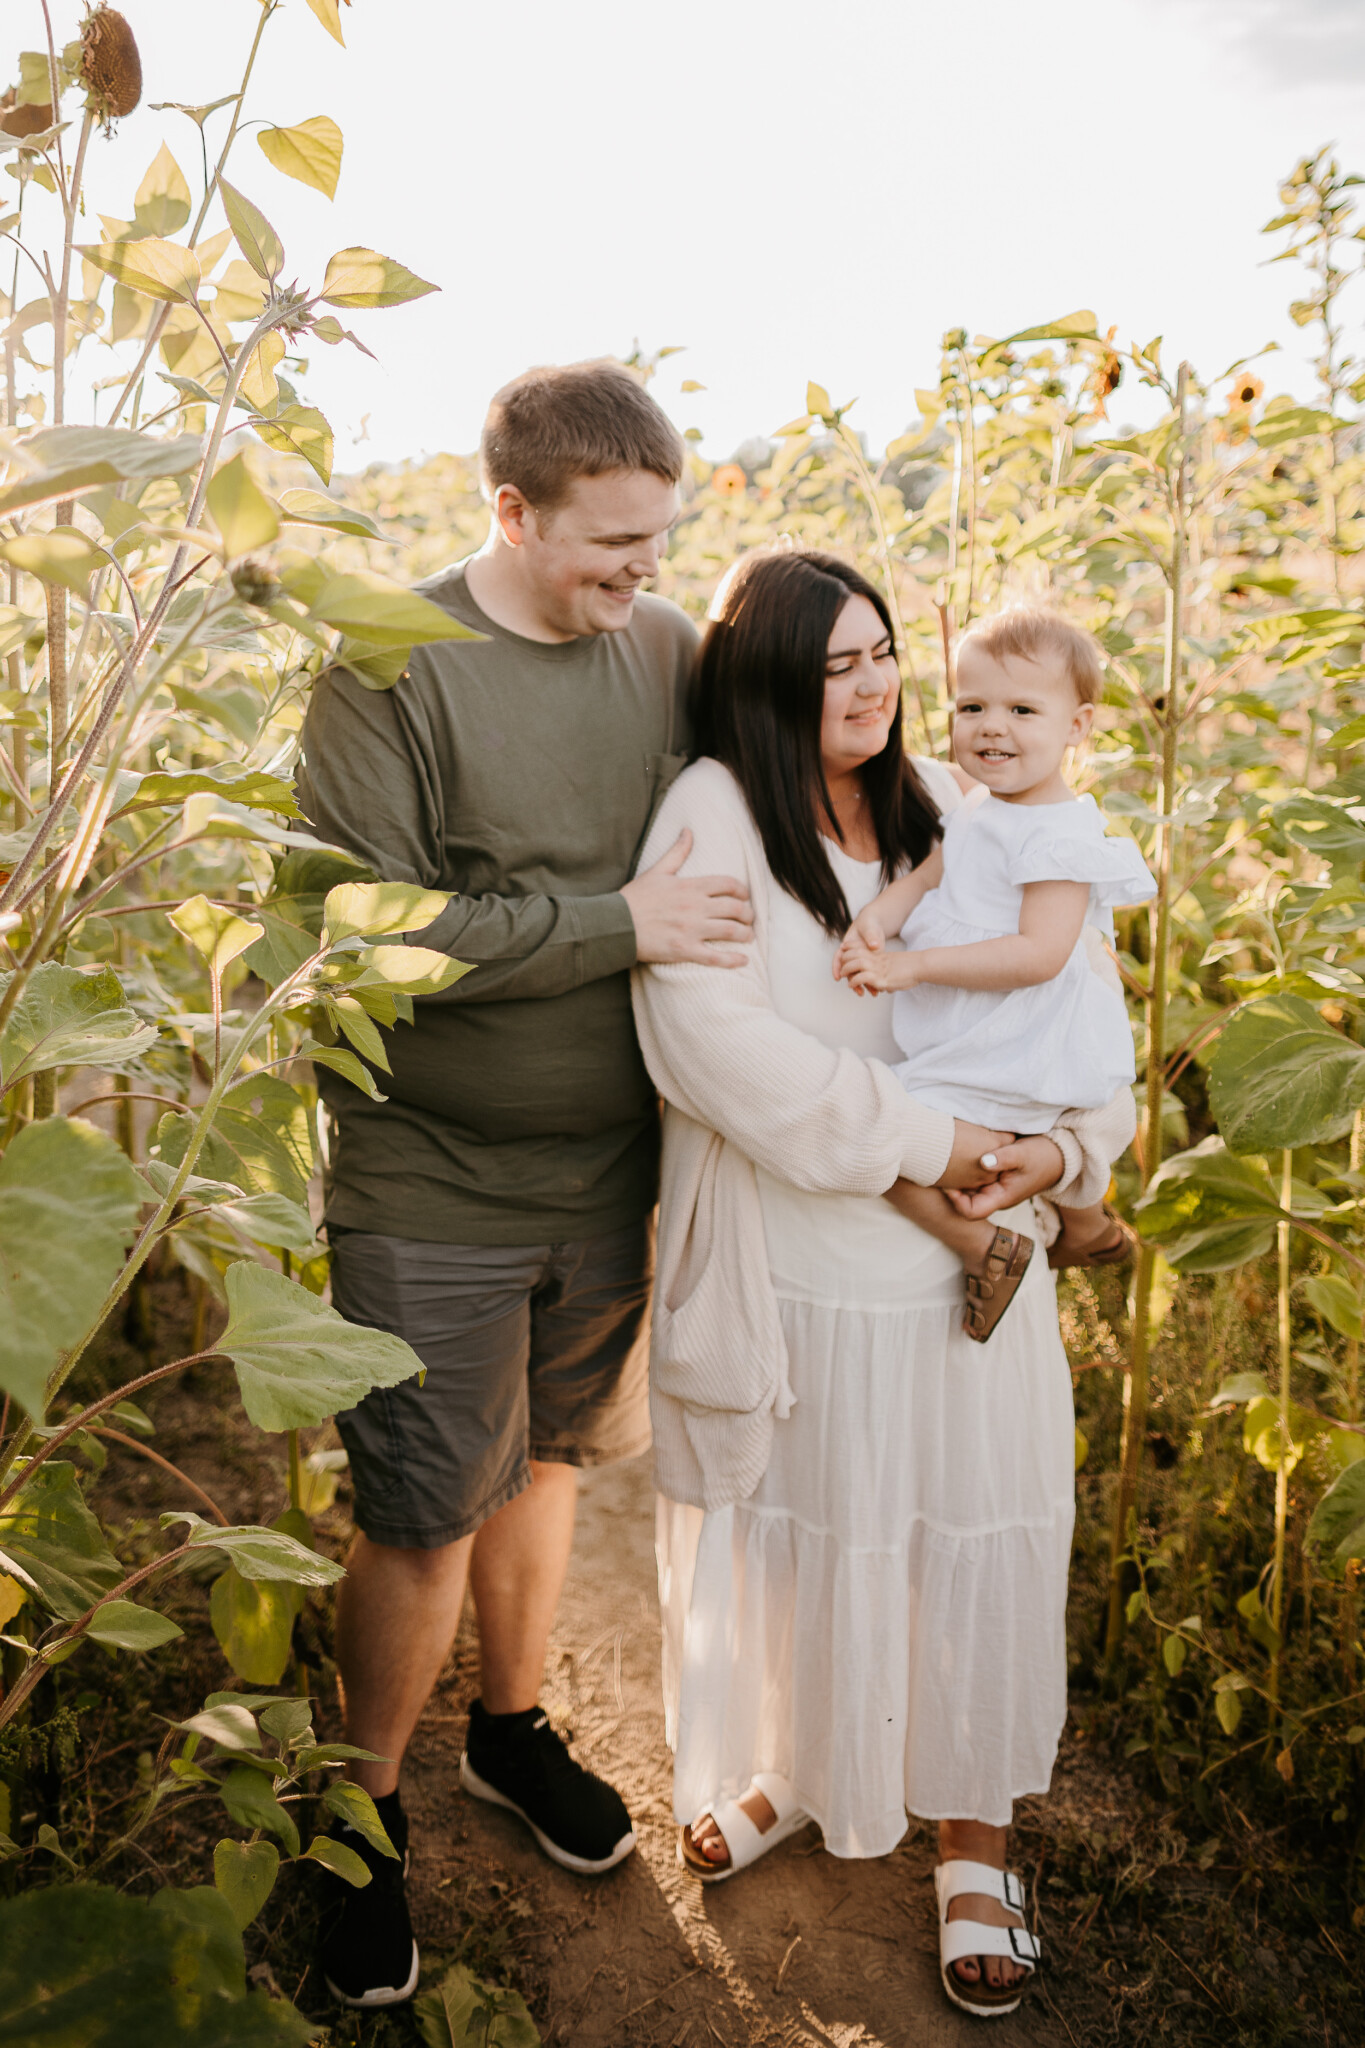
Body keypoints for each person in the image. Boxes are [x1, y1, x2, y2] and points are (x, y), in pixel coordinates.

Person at [294, 360, 757, 2010]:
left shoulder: (665, 652)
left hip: (610, 1166)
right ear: (510, 510)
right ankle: (358, 1818)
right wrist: (615, 925)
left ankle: (506, 1728)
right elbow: (374, 934)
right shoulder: (392, 664)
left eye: (661, 541)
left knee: (552, 1461)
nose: (645, 577)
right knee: (423, 1504)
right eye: (612, 546)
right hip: (430, 1171)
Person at [630, 550, 1137, 2019]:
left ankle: (974, 1843)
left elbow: (1071, 996)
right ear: (765, 671)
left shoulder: (958, 813)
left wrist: (1061, 1154)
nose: (869, 689)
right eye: (834, 663)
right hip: (801, 1255)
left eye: (882, 655)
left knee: (965, 1535)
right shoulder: (716, 812)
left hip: (968, 1265)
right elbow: (715, 1051)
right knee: (811, 1535)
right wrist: (941, 1138)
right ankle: (802, 1768)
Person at [834, 607, 1154, 1340]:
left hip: (1019, 1032)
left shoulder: (1059, 837)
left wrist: (909, 966)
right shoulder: (979, 805)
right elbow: (927, 880)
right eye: (971, 707)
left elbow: (1038, 956)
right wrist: (875, 922)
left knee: (879, 1137)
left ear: (1076, 726)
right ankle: (1084, 1224)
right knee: (923, 1132)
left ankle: (987, 1245)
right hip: (977, 1029)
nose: (990, 727)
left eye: (1020, 710)